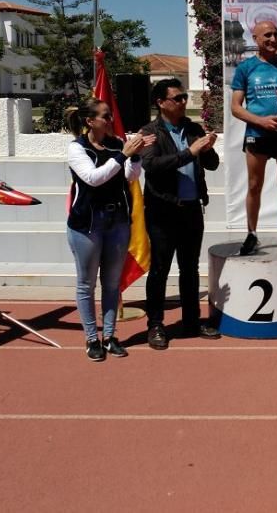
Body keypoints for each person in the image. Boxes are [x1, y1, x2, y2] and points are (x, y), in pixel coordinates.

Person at [65, 99, 155, 362]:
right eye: (105, 116)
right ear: (90, 121)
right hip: (88, 225)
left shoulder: (116, 143)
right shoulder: (77, 148)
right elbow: (94, 178)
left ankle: (111, 336)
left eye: (110, 115)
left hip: (117, 222)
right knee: (86, 284)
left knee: (112, 285)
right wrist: (124, 154)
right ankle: (92, 338)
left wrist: (135, 155)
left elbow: (130, 177)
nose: (110, 119)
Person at [140, 78, 220, 350]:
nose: (184, 102)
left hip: (191, 209)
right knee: (160, 269)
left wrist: (207, 149)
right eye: (178, 98)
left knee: (190, 269)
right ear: (161, 103)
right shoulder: (150, 131)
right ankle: (156, 324)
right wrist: (189, 152)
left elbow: (212, 164)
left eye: (185, 96)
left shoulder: (193, 128)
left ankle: (191, 320)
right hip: (163, 211)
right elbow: (152, 166)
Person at [230, 20, 277, 256]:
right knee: (254, 185)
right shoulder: (245, 68)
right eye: (267, 36)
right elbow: (235, 107)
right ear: (255, 39)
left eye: (275, 34)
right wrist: (260, 121)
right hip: (257, 135)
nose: (273, 39)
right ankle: (252, 234)